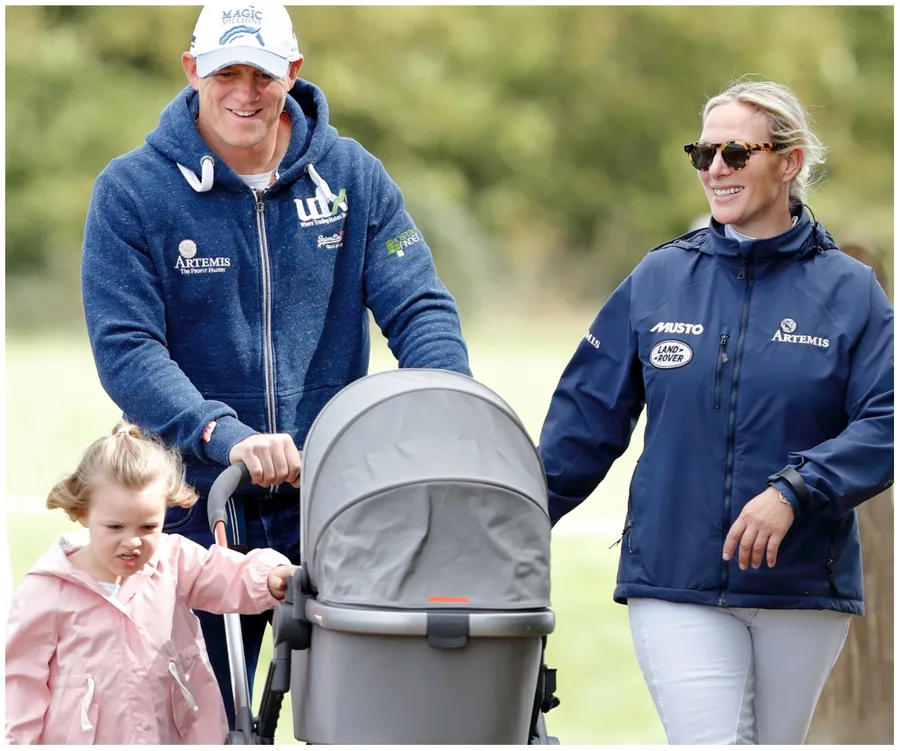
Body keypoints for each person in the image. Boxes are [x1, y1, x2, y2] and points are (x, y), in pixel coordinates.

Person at [80, 0, 472, 722]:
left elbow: (419, 309)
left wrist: (444, 409)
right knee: (200, 726)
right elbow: (128, 350)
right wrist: (224, 435)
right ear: (191, 70)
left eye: (262, 73)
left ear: (292, 73)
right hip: (191, 508)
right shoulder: (132, 191)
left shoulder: (352, 175)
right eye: (225, 70)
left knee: (364, 724)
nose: (244, 91)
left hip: (334, 505)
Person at [538, 79, 894, 745]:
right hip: (674, 579)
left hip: (801, 585)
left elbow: (887, 422)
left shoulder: (852, 293)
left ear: (788, 162)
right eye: (703, 154)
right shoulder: (657, 279)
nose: (716, 170)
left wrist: (794, 489)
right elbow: (582, 426)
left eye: (735, 152)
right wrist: (510, 519)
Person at [5, 423, 296, 745]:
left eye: (148, 526)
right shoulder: (47, 590)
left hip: (173, 736)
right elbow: (20, 683)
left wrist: (270, 577)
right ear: (82, 513)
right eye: (115, 527)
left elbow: (221, 573)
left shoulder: (171, 560)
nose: (132, 542)